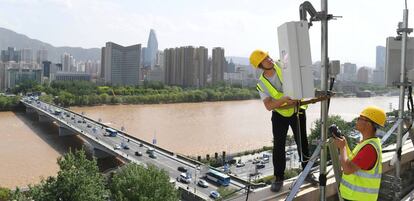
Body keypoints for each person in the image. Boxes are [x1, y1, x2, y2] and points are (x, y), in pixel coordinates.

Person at [249, 50, 318, 193]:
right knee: (279, 146)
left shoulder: (281, 65)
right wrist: (283, 100)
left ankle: (307, 173)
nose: (269, 59)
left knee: (302, 142)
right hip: (279, 115)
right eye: (264, 59)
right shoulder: (262, 84)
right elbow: (268, 106)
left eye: (268, 56)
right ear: (259, 65)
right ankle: (279, 177)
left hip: (297, 111)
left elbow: (292, 56)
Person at [333, 106, 385, 201]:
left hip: (358, 198)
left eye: (360, 118)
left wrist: (342, 147)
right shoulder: (366, 143)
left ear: (369, 124)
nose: (357, 120)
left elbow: (348, 169)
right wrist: (345, 145)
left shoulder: (369, 149)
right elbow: (352, 161)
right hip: (354, 197)